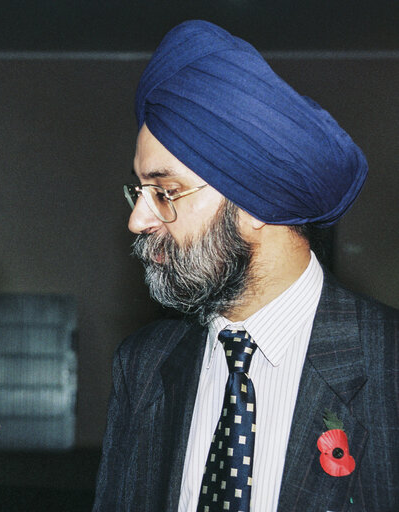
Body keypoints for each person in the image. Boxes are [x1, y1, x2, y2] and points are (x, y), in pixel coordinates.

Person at [94, 20, 398, 512]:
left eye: (166, 192)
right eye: (140, 191)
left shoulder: (389, 364)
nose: (137, 219)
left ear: (257, 201)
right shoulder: (143, 365)